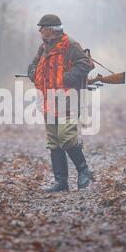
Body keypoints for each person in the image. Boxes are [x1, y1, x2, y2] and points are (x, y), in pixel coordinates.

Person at [27, 14, 94, 192]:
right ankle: (61, 182)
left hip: (67, 100)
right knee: (54, 142)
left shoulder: (70, 45)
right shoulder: (44, 48)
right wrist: (34, 75)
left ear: (51, 30)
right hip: (48, 101)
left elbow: (85, 64)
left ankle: (84, 170)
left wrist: (65, 78)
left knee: (67, 139)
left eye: (42, 28)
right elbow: (32, 67)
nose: (40, 31)